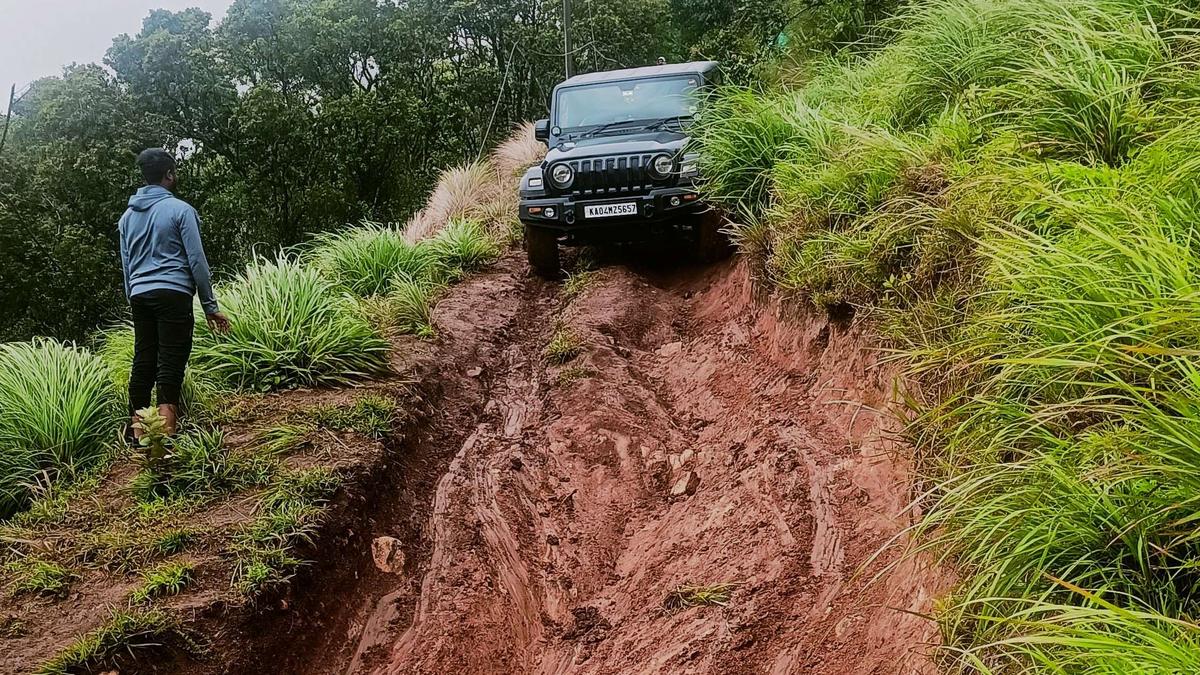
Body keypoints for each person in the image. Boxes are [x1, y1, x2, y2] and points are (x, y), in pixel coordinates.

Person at [119, 148, 229, 440]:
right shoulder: (181, 210)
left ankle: (141, 439)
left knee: (143, 360)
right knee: (171, 361)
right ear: (169, 174)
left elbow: (127, 265)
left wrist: (134, 296)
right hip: (173, 294)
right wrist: (209, 305)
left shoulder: (127, 217)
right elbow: (197, 262)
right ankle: (164, 446)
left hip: (140, 295)